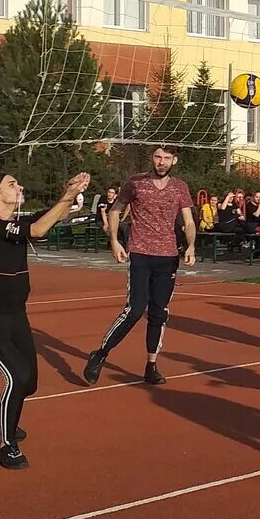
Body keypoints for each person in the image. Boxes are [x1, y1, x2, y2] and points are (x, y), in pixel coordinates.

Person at [0, 170, 92, 470]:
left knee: (30, 383)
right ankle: (7, 445)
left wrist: (70, 190)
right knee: (16, 376)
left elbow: (47, 219)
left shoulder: (14, 222)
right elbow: (37, 230)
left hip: (16, 315)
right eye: (11, 184)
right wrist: (65, 196)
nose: (18, 186)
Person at [83, 145, 197, 388]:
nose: (161, 162)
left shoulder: (180, 187)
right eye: (158, 157)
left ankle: (151, 365)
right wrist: (114, 241)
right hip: (141, 253)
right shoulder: (136, 183)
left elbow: (188, 220)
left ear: (174, 161)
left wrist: (191, 245)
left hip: (168, 256)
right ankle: (101, 353)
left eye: (166, 158)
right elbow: (115, 211)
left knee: (159, 312)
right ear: (152, 159)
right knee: (135, 310)